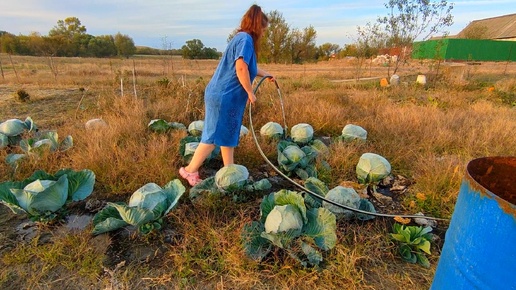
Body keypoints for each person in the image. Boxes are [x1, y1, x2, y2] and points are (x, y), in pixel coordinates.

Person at [179, 4, 274, 186]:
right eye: (263, 28)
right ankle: (190, 171)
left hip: (225, 96)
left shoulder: (240, 38)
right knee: (212, 136)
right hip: (224, 96)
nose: (263, 33)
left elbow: (250, 67)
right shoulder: (246, 40)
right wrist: (249, 92)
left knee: (227, 134)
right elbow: (241, 67)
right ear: (257, 25)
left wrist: (267, 74)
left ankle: (228, 170)